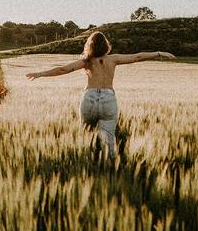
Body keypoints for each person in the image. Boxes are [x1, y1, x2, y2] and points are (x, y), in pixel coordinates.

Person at [25, 31, 176, 161]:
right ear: (106, 45)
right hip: (108, 99)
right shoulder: (113, 59)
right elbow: (137, 57)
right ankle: (108, 167)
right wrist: (158, 53)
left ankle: (88, 164)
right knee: (108, 140)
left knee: (86, 135)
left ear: (89, 46)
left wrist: (40, 74)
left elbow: (64, 69)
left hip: (89, 98)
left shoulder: (86, 61)